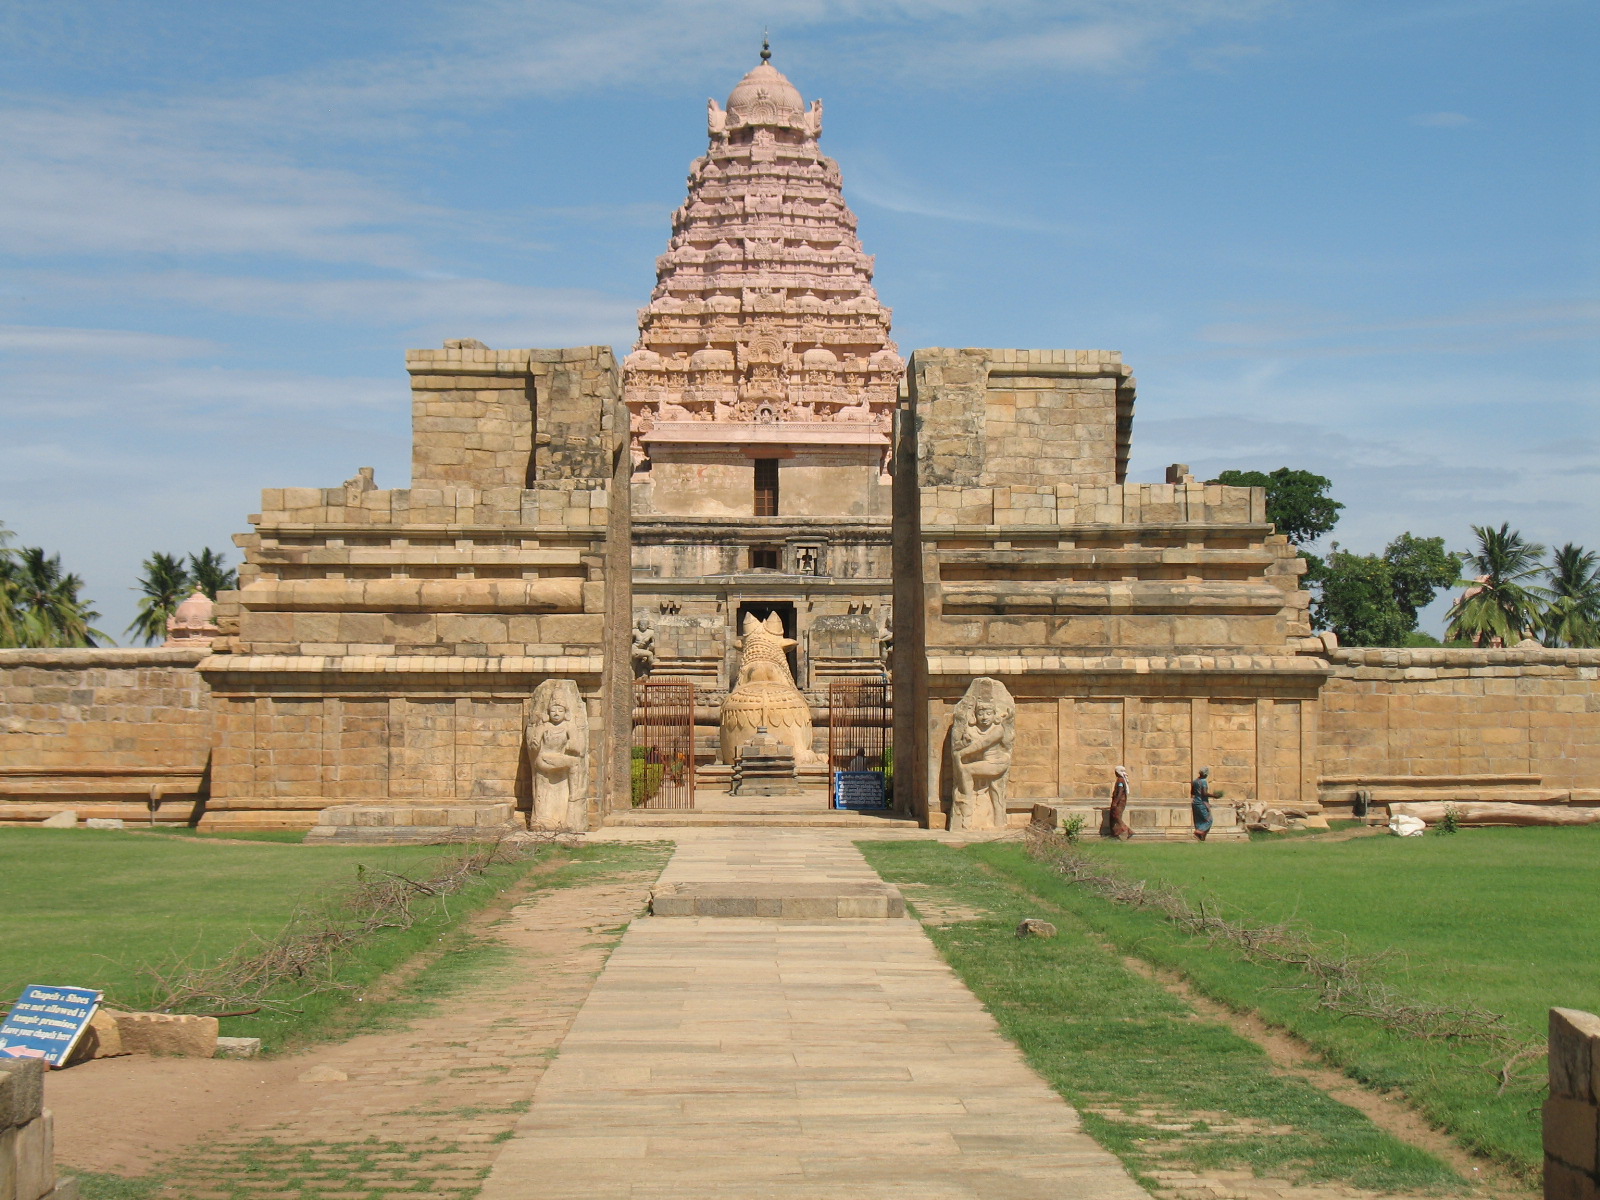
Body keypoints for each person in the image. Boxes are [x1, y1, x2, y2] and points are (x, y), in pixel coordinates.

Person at [1108, 765, 1132, 840]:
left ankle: (1127, 830)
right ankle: (1116, 833)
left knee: (1116, 816)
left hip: (1119, 802)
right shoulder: (1121, 780)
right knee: (1115, 817)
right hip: (1121, 801)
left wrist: (1115, 802)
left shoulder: (1120, 780)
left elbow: (1120, 791)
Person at [1191, 766, 1213, 841]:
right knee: (1209, 820)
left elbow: (1192, 792)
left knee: (1199, 821)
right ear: (1205, 774)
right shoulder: (1203, 781)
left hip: (1195, 803)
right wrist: (1214, 796)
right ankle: (1198, 832)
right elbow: (1204, 793)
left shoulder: (1195, 781)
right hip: (1201, 803)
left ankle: (1200, 837)